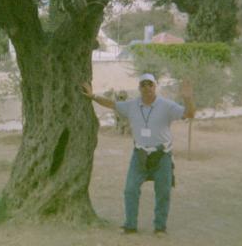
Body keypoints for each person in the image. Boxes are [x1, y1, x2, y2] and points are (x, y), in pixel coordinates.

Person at [82, 73, 195, 234]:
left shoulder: (167, 106)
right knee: (130, 189)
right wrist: (93, 96)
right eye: (143, 84)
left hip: (161, 155)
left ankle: (160, 227)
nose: (147, 87)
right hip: (140, 154)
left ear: (155, 86)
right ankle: (130, 226)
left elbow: (189, 114)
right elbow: (112, 104)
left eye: (150, 84)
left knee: (163, 192)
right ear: (139, 88)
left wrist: (188, 98)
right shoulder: (131, 105)